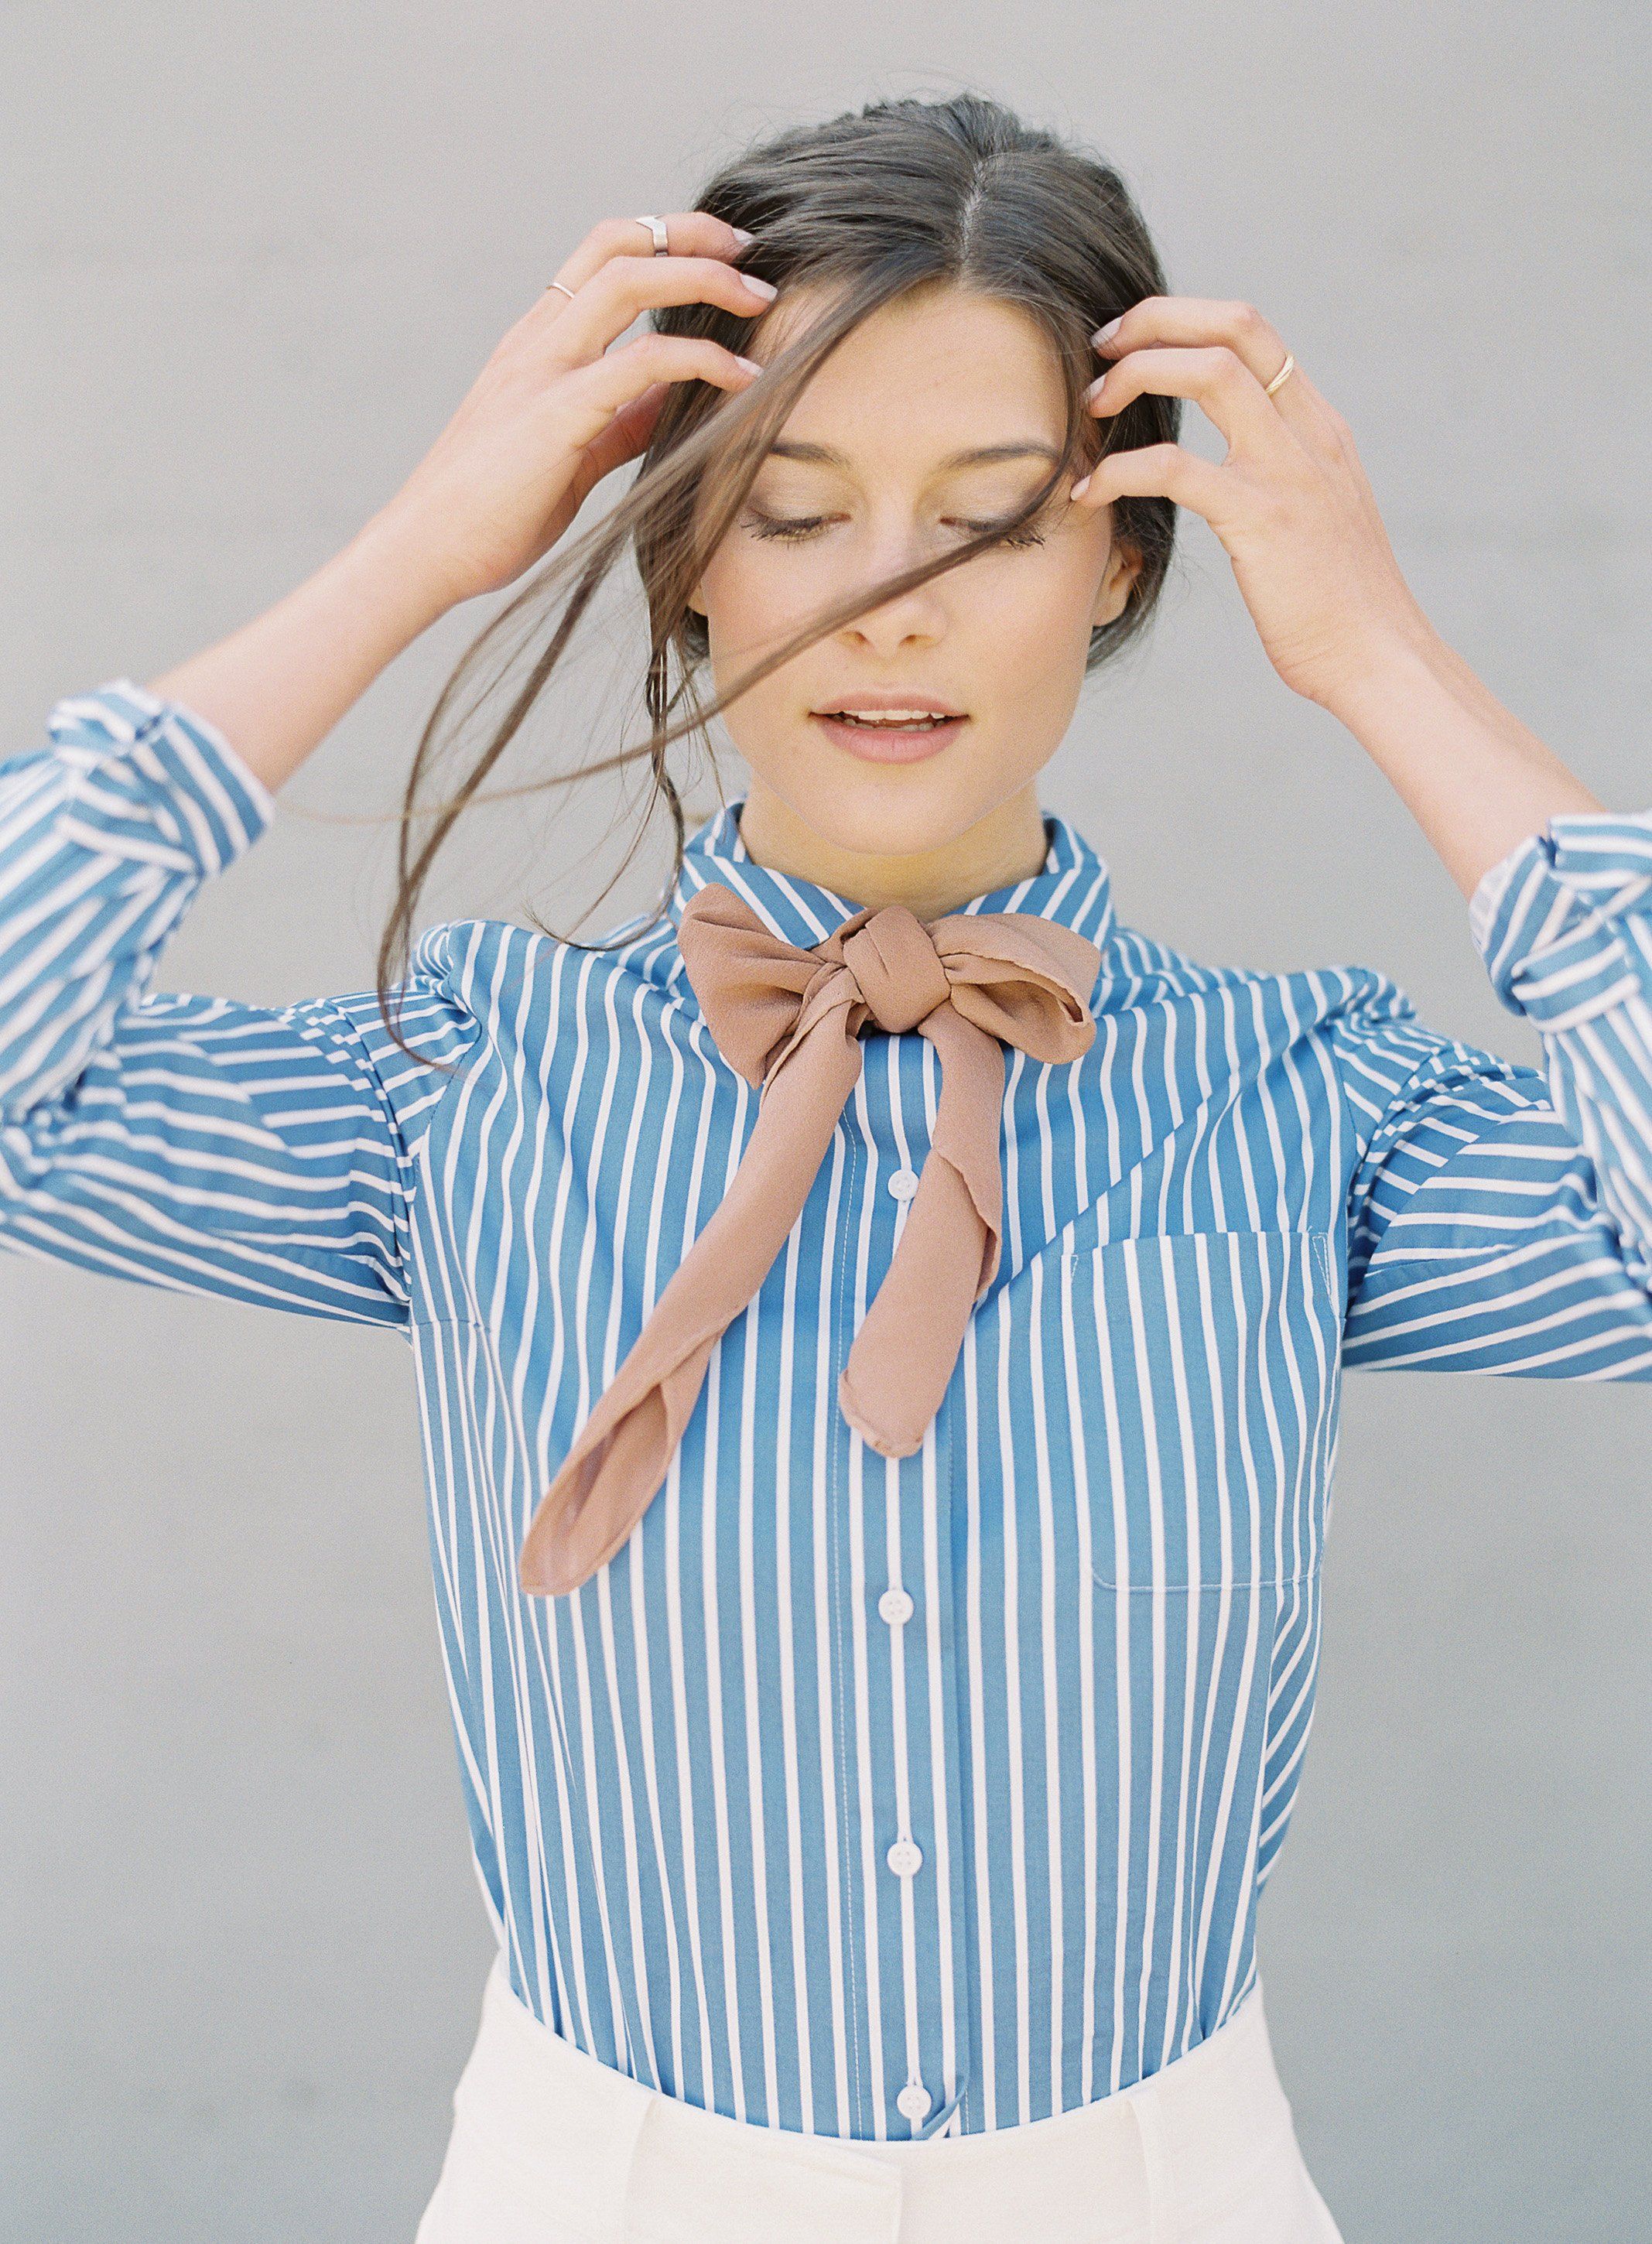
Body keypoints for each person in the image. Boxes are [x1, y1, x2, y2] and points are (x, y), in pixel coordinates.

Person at [5, 90, 1647, 2244]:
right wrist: (424, 543)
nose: (890, 604)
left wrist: (1384, 656)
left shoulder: (1299, 1101)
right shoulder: (477, 1077)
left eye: (993, 519)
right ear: (686, 554)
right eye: (790, 511)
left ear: (1124, 554)